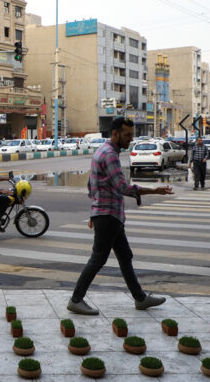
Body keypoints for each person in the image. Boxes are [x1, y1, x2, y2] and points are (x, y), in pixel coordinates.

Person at [67, 117, 173, 316]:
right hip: (108, 216)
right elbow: (122, 187)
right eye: (127, 135)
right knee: (98, 259)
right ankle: (76, 299)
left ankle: (140, 298)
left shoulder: (102, 151)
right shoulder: (109, 155)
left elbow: (91, 187)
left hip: (109, 215)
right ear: (115, 133)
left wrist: (94, 210)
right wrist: (154, 190)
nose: (130, 139)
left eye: (131, 135)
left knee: (125, 257)